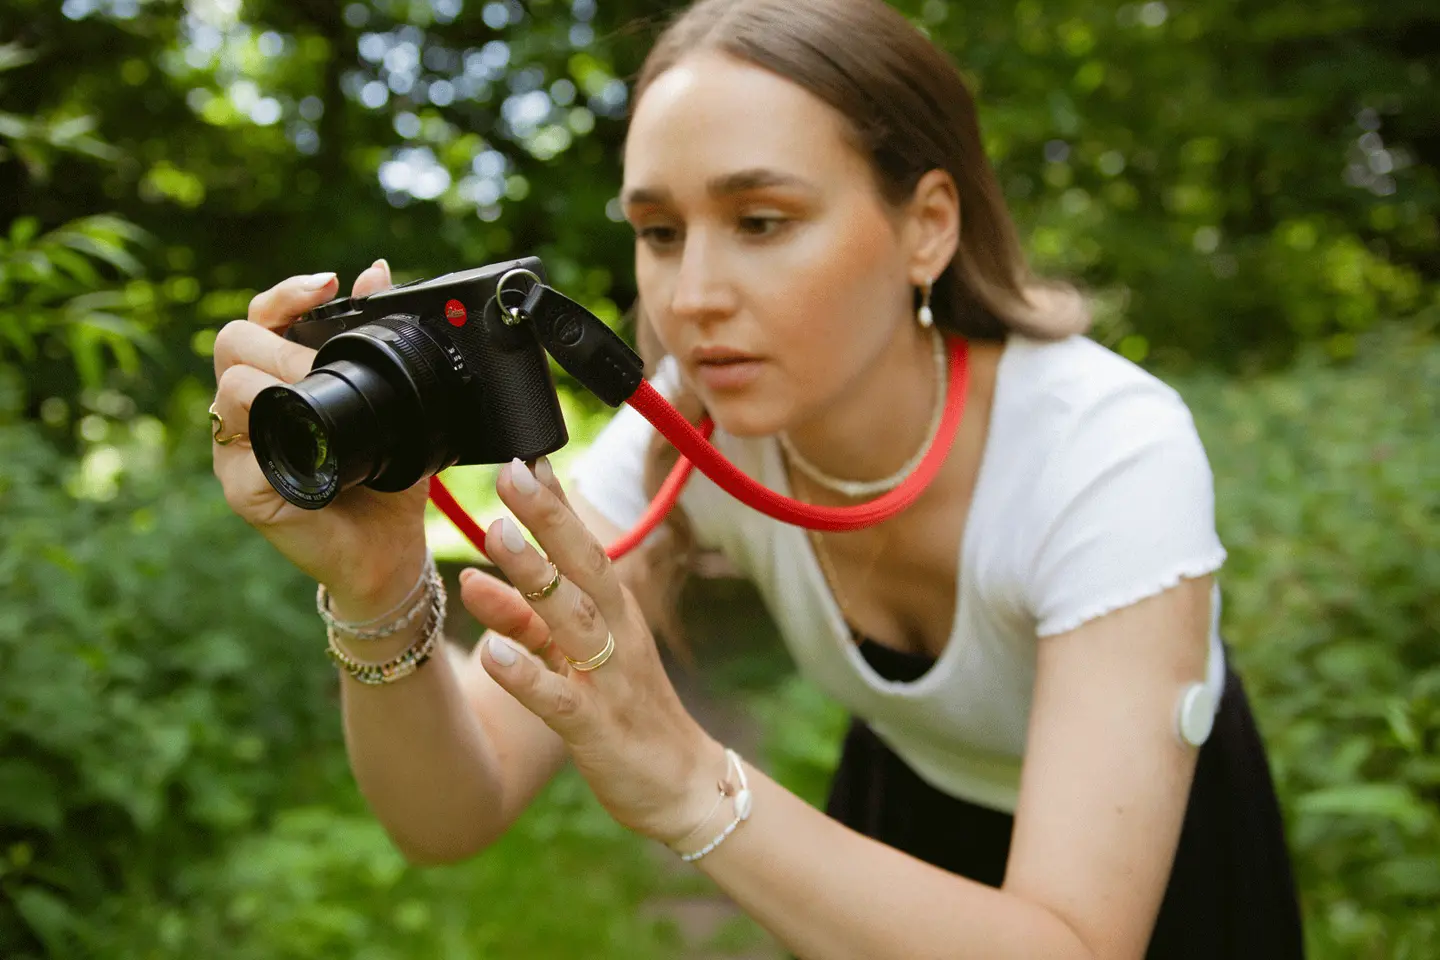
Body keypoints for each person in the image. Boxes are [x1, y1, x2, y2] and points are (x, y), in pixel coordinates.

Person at [208, 0, 1305, 955]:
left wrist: (690, 780)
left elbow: (1073, 945)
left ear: (926, 226)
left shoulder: (1107, 450)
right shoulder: (688, 430)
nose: (691, 297)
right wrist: (379, 587)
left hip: (1151, 871)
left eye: (762, 221)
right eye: (658, 230)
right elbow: (454, 810)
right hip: (902, 813)